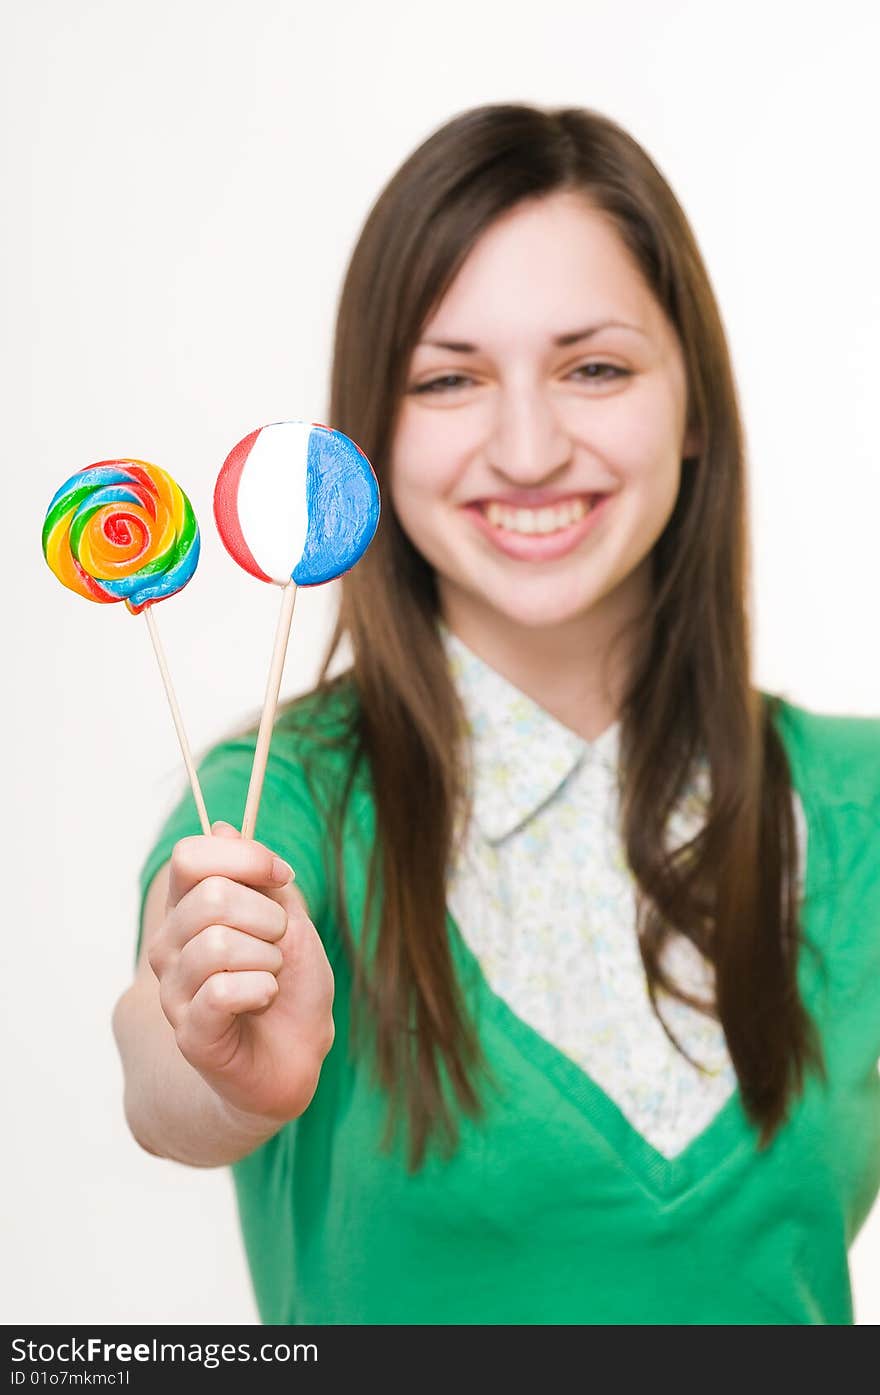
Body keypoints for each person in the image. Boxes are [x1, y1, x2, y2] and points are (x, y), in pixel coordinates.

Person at [112, 103, 880, 1325]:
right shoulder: (281, 802)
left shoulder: (859, 801)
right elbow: (165, 1077)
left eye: (594, 367)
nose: (527, 448)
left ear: (692, 406)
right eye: (448, 378)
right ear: (367, 438)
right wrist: (219, 1069)